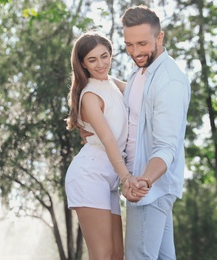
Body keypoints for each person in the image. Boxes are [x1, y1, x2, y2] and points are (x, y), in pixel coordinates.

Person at [64, 31, 148, 260]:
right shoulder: (90, 95)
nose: (101, 64)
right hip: (89, 175)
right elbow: (109, 139)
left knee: (117, 255)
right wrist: (126, 178)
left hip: (108, 176)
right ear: (82, 63)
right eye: (92, 60)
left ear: (111, 54)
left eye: (105, 56)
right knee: (102, 255)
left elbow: (140, 87)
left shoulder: (111, 84)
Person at [120, 5, 191, 260]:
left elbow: (166, 147)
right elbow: (133, 98)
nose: (135, 52)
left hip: (150, 189)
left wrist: (143, 181)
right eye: (129, 44)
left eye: (142, 43)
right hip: (151, 189)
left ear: (159, 38)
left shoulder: (169, 81)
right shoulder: (142, 72)